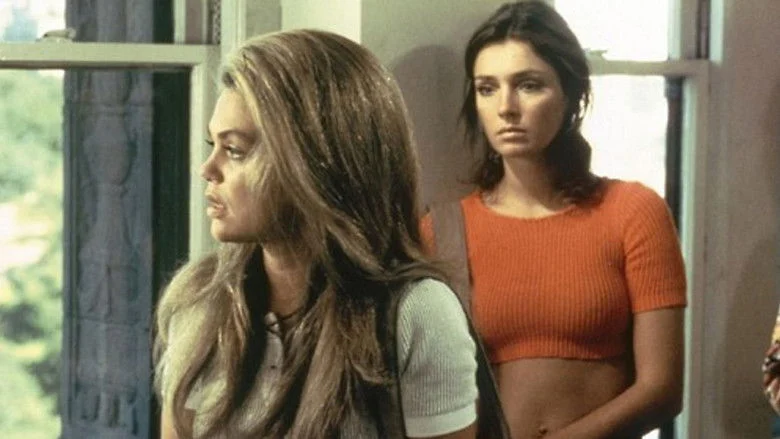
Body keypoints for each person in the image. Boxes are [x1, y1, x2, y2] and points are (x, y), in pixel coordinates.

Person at [153, 29, 499, 438]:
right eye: (213, 144)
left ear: (314, 160)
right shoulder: (200, 303)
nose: (207, 169)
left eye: (235, 150)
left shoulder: (416, 313)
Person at [421, 1, 688, 438]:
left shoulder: (632, 212)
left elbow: (662, 389)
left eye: (528, 85)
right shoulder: (443, 231)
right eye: (487, 88)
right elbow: (430, 393)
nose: (506, 107)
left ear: (570, 94)